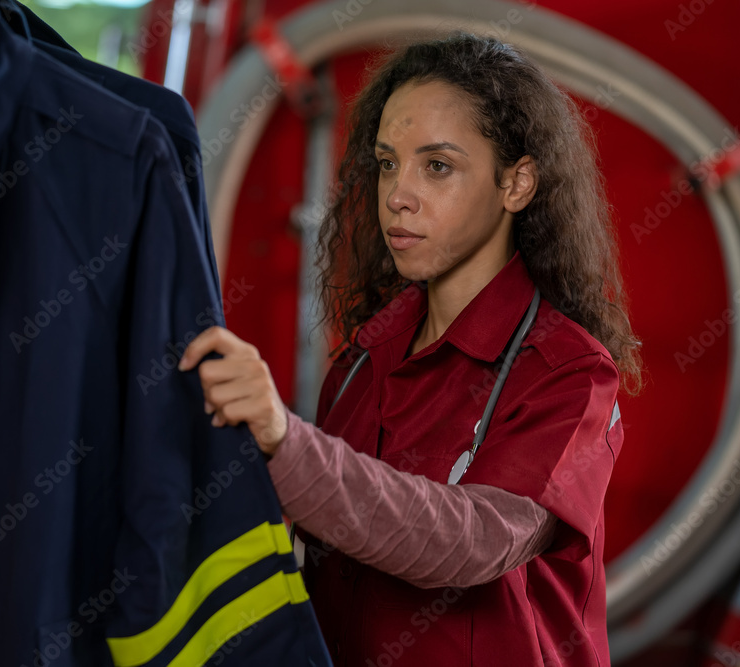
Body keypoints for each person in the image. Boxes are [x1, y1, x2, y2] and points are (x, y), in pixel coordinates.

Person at [178, 33, 642, 666]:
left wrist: (284, 439)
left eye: (438, 166)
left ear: (517, 183)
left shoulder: (570, 373)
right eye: (388, 161)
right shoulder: (367, 354)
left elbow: (470, 544)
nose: (397, 193)